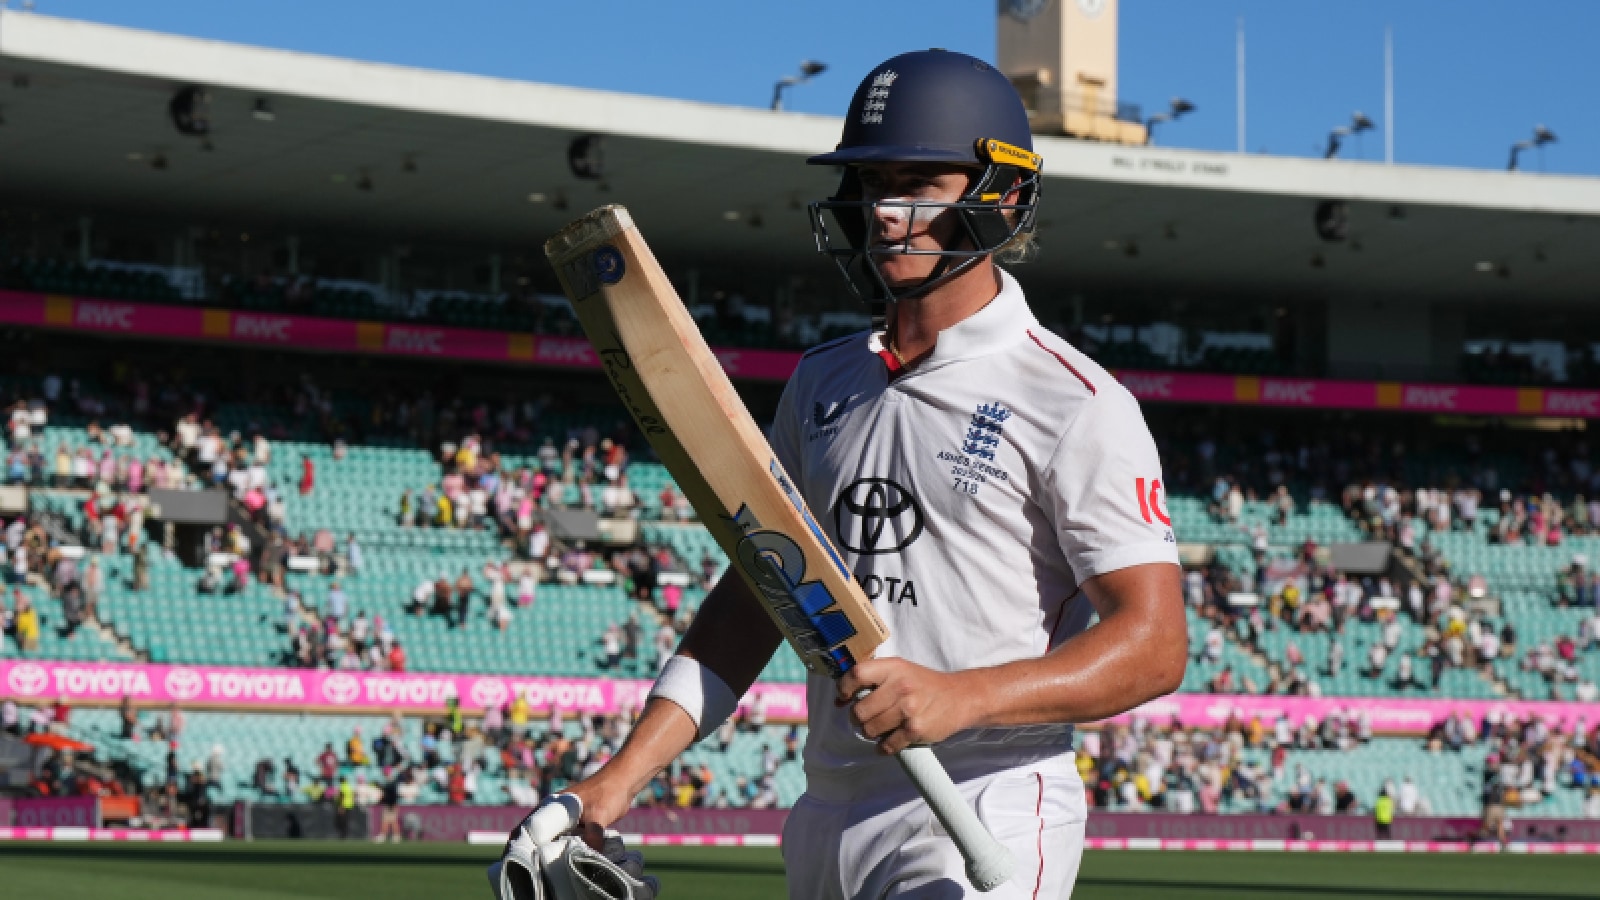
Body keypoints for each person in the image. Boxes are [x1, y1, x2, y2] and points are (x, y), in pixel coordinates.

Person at [543, 50, 1185, 899]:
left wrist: (964, 697)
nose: (886, 212)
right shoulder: (821, 380)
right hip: (826, 819)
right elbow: (760, 594)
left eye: (920, 181)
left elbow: (1155, 645)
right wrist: (618, 778)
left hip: (986, 805)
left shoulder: (1077, 402)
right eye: (873, 182)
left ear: (1001, 191)